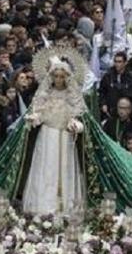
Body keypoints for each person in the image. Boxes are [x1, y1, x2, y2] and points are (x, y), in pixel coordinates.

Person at [21, 47, 88, 215]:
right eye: (56, 76)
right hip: (48, 134)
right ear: (51, 76)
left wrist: (75, 124)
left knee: (64, 167)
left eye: (62, 76)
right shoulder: (45, 92)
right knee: (47, 167)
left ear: (67, 77)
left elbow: (79, 115)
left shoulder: (72, 94)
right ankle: (44, 205)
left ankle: (66, 205)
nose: (59, 79)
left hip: (65, 135)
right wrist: (34, 118)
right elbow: (39, 111)